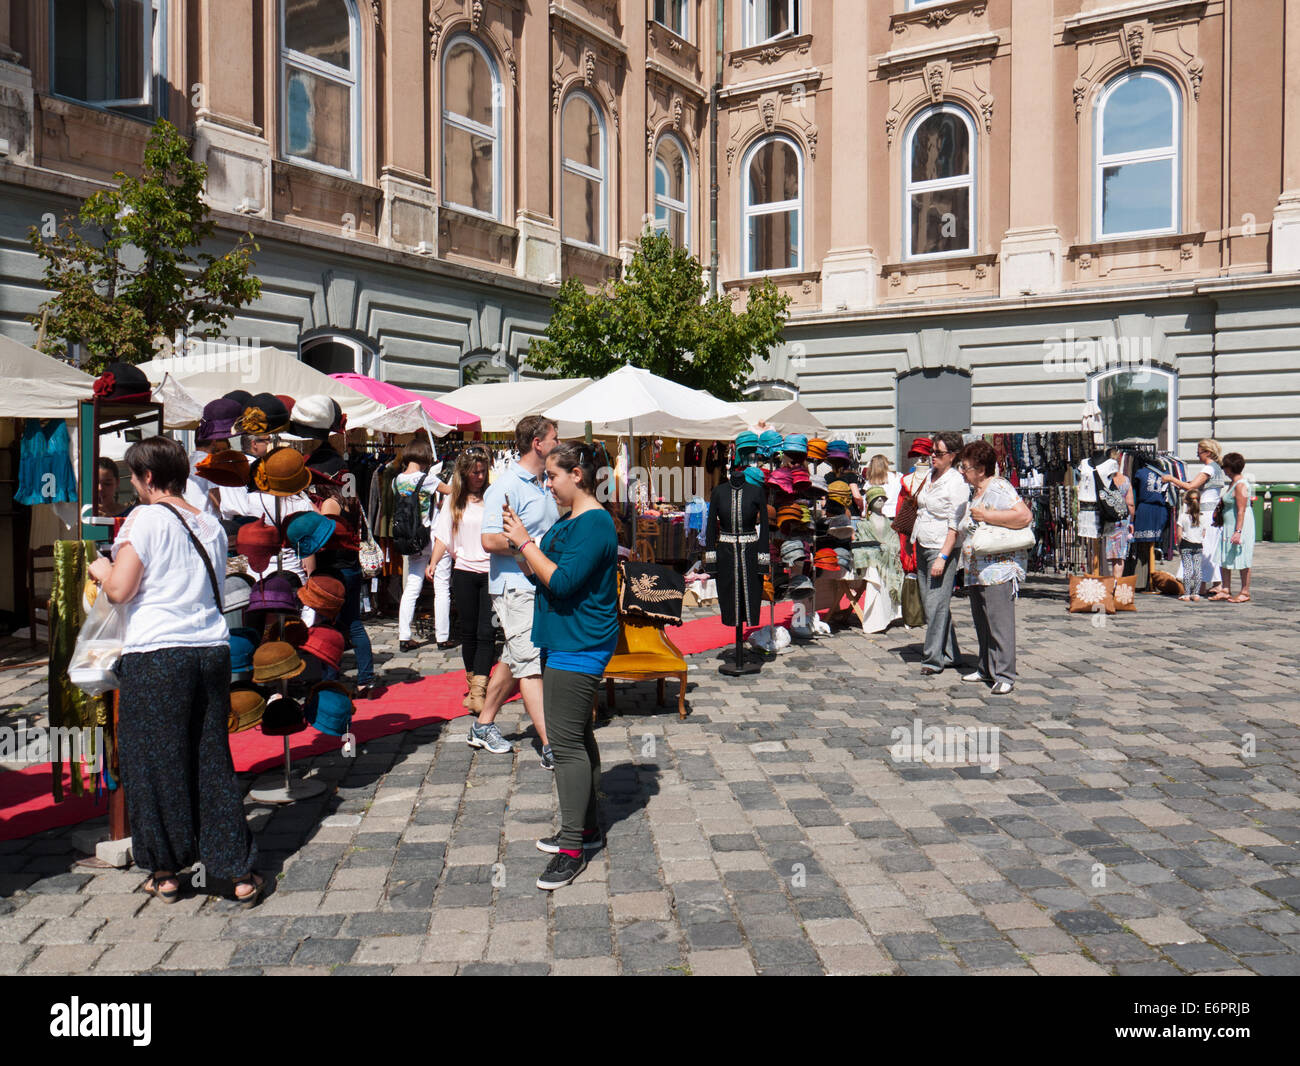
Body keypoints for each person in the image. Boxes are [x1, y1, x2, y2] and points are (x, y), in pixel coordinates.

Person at [86, 437, 261, 908]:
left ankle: (165, 869)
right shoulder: (210, 522)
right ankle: (234, 870)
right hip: (210, 648)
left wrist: (100, 569)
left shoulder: (145, 518)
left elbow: (121, 590)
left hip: (158, 653)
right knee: (210, 759)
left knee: (153, 764)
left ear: (145, 477)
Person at [501, 441, 618, 891]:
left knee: (565, 744)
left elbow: (564, 581)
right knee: (577, 736)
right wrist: (519, 544)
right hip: (561, 637)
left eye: (552, 476)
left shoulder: (594, 523)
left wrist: (527, 543)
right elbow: (542, 570)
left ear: (578, 476)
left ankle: (573, 847)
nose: (547, 484)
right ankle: (584, 830)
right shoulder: (571, 520)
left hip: (581, 641)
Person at [475, 415, 559, 766]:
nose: (559, 442)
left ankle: (482, 725)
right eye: (555, 437)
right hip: (514, 586)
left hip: (538, 582)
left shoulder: (544, 484)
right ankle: (551, 744)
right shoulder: (506, 484)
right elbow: (488, 539)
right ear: (537, 443)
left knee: (516, 655)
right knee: (531, 665)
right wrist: (527, 545)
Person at [957, 439, 1033, 695]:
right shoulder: (975, 492)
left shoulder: (999, 487)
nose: (962, 472)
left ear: (980, 468)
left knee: (1000, 622)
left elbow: (1024, 516)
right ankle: (987, 667)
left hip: (998, 568)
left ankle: (1005, 674)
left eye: (965, 467)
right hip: (978, 568)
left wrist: (987, 516)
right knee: (983, 622)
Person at [428, 447, 493, 711]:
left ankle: (479, 691)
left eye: (482, 471)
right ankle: (472, 682)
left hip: (491, 571)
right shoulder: (455, 500)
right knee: (468, 631)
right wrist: (433, 562)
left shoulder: (493, 496)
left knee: (487, 631)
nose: (479, 476)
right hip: (464, 570)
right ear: (464, 473)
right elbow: (443, 534)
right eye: (474, 472)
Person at [309, 445, 377, 698]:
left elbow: (323, 536)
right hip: (351, 568)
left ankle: (330, 679)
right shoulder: (350, 498)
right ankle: (366, 679)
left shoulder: (330, 502)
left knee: (329, 627)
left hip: (334, 571)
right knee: (355, 625)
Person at [910, 432, 969, 675]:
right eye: (932, 451)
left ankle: (932, 660)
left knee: (935, 605)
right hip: (923, 542)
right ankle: (951, 653)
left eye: (939, 453)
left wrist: (943, 557)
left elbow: (956, 524)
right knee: (933, 603)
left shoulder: (956, 483)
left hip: (941, 547)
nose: (932, 456)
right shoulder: (931, 474)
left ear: (953, 456)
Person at [393, 438, 451, 652]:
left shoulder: (396, 480)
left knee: (412, 586)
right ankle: (442, 637)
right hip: (433, 536)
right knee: (442, 586)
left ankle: (404, 635)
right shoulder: (428, 480)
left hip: (412, 538)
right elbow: (452, 491)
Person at [1161, 439, 1227, 597]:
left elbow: (1191, 487)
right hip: (1213, 512)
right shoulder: (1217, 468)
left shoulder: (1209, 469)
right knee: (1210, 548)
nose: (1197, 454)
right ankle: (1214, 583)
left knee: (1201, 547)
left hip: (1206, 513)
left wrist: (1171, 479)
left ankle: (1203, 583)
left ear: (1208, 452)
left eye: (1199, 451)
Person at [1213, 452, 1254, 603]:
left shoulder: (1241, 484)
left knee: (1242, 556)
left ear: (1230, 468)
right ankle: (1225, 589)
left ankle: (1245, 591)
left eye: (1224, 467)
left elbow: (1241, 510)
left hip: (1240, 525)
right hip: (1229, 524)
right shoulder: (1233, 482)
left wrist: (1238, 531)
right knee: (1224, 555)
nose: (1223, 470)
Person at [1099, 448, 1134, 580]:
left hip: (1106, 520)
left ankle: (1102, 582)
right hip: (1121, 521)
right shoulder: (1125, 480)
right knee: (1118, 556)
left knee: (1102, 553)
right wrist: (1131, 521)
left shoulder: (1104, 480)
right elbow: (1130, 504)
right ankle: (1116, 583)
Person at [1176, 488, 1204, 603]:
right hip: (1198, 545)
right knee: (1197, 569)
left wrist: (1179, 545)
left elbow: (1179, 534)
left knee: (1187, 569)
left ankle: (1186, 594)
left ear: (1186, 502)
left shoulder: (1183, 516)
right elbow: (1204, 533)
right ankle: (1196, 593)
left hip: (1186, 544)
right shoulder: (1202, 516)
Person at [866, 454, 903, 518]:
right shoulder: (898, 477)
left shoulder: (870, 482)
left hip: (878, 515)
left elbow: (867, 503)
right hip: (896, 512)